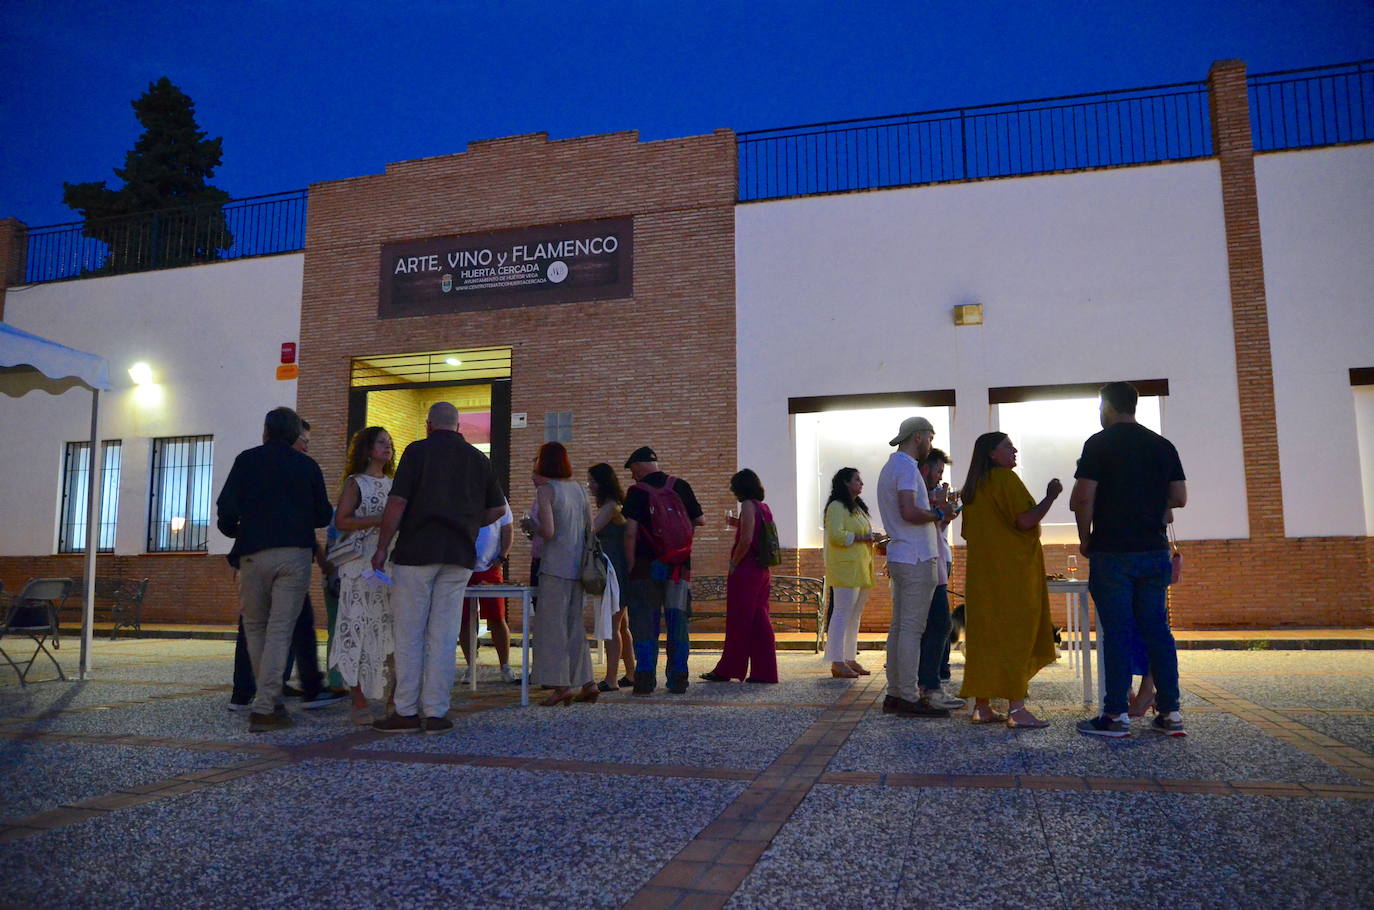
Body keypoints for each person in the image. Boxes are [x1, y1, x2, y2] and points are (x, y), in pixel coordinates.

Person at [370, 402, 506, 734]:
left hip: (417, 551)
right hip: (459, 555)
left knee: (410, 632)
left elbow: (398, 502)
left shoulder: (417, 452)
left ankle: (405, 710)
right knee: (444, 635)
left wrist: (382, 546)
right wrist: (469, 523)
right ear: (458, 427)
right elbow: (497, 510)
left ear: (429, 425)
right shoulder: (478, 459)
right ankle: (436, 712)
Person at [1072, 381, 1188, 738]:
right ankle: (1170, 713)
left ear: (1106, 406)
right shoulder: (1161, 444)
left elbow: (1082, 498)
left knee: (1118, 633)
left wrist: (1086, 538)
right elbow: (1180, 497)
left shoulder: (1099, 443)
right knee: (1157, 631)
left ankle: (1115, 716)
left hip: (1113, 553)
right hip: (1153, 553)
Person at [216, 407, 333, 732]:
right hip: (293, 555)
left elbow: (225, 508)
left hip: (252, 554)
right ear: (295, 434)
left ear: (266, 431)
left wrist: (238, 530)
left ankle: (265, 702)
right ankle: (267, 706)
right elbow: (323, 515)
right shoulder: (306, 465)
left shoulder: (246, 460)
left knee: (255, 628)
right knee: (281, 629)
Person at [957, 432, 1059, 728]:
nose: (1014, 450)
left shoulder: (973, 489)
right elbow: (1025, 520)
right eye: (1007, 446)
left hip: (982, 576)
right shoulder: (1005, 479)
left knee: (986, 638)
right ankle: (1017, 708)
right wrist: (1051, 495)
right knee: (1015, 635)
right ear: (992, 454)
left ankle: (982, 706)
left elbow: (970, 532)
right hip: (1011, 575)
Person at [875, 416, 952, 718]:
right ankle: (907, 695)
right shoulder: (907, 468)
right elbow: (908, 511)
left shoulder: (889, 467)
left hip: (901, 555)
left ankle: (895, 692)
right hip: (917, 556)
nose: (931, 445)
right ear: (919, 437)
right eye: (930, 439)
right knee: (911, 629)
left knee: (899, 628)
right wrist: (937, 512)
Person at [621, 446, 705, 696]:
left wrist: (630, 566)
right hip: (679, 567)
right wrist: (677, 543)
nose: (632, 477)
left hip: (647, 566)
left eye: (632, 471)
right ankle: (678, 679)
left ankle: (645, 679)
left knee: (646, 621)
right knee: (677, 621)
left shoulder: (636, 492)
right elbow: (699, 520)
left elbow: (630, 533)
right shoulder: (680, 485)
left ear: (638, 466)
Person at [328, 426, 396, 725]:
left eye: (390, 443)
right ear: (368, 448)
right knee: (357, 627)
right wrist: (378, 520)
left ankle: (393, 696)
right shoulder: (356, 483)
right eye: (382, 443)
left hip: (390, 564)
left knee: (392, 631)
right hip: (361, 563)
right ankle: (357, 699)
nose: (388, 447)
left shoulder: (395, 484)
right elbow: (342, 520)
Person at [527, 442, 598, 706]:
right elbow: (590, 527)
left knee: (551, 627)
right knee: (574, 626)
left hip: (555, 566)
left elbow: (548, 531)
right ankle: (588, 682)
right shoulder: (579, 489)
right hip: (579, 567)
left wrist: (531, 524)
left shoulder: (546, 491)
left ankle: (561, 685)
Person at [701, 469, 779, 684]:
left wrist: (734, 562)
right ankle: (765, 671)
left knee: (739, 620)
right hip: (762, 569)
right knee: (760, 618)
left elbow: (745, 539)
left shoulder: (747, 505)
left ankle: (728, 669)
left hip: (746, 570)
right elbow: (756, 532)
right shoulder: (763, 507)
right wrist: (737, 522)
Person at [917, 448, 966, 711]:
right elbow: (922, 522)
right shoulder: (919, 494)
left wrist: (946, 510)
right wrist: (940, 508)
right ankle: (929, 685)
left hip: (936, 561)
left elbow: (940, 526)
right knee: (937, 624)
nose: (939, 477)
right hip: (925, 564)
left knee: (938, 625)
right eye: (937, 471)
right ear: (925, 470)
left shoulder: (929, 494)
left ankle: (930, 681)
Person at [821, 467, 878, 679]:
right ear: (845, 482)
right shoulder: (836, 506)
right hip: (845, 568)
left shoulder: (857, 508)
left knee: (855, 615)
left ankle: (850, 657)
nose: (861, 483)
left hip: (861, 567)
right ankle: (837, 661)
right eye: (857, 479)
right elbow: (836, 535)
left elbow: (862, 533)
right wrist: (861, 538)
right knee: (842, 613)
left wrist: (872, 538)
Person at [459, 498, 516, 684]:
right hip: (463, 566)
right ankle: (471, 667)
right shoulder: (462, 491)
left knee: (497, 617)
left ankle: (505, 666)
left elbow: (508, 528)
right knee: (465, 619)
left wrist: (502, 556)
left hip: (490, 567)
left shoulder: (498, 498)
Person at [589, 463, 635, 692]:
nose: (590, 485)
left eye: (593, 481)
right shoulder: (617, 505)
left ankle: (611, 678)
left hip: (613, 572)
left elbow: (590, 530)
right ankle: (632, 673)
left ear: (603, 482)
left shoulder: (610, 506)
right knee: (622, 625)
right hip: (620, 570)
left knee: (612, 626)